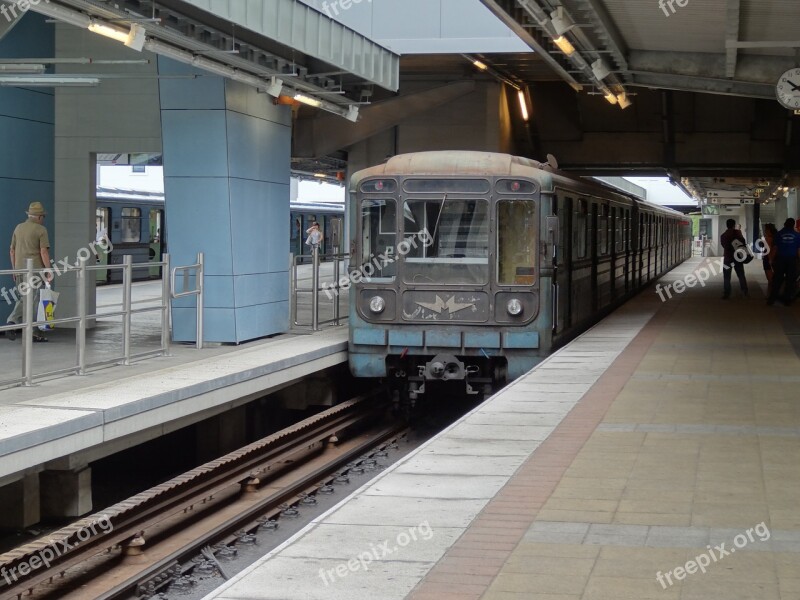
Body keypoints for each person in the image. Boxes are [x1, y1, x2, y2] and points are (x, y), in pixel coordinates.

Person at [6, 202, 52, 341]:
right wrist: (49, 270)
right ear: (38, 217)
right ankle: (13, 322)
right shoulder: (41, 230)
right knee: (33, 301)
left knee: (25, 299)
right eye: (43, 216)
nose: (43, 218)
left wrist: (14, 269)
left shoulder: (18, 228)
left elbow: (12, 250)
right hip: (35, 272)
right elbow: (43, 251)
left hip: (20, 270)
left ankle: (32, 332)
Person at [767, 218, 800, 306]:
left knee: (777, 280)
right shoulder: (797, 235)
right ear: (793, 225)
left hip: (780, 259)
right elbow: (798, 250)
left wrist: (771, 259)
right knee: (790, 281)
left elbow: (775, 248)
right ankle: (787, 300)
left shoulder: (778, 234)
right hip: (792, 260)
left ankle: (771, 300)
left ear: (785, 224)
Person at [719, 218, 748, 299]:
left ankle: (727, 293)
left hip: (728, 259)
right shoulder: (738, 233)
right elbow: (743, 243)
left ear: (727, 225)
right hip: (738, 258)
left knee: (727, 277)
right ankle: (745, 292)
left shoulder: (724, 235)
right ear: (734, 225)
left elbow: (724, 246)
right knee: (741, 275)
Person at [762, 223, 778, 298]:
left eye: (765, 230)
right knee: (773, 278)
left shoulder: (768, 238)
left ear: (768, 230)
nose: (765, 231)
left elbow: (768, 250)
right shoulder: (776, 237)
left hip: (768, 259)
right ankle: (770, 294)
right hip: (776, 258)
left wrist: (770, 259)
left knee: (770, 279)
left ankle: (770, 295)